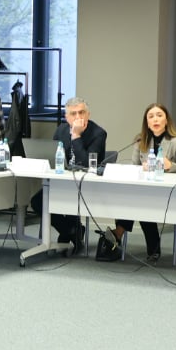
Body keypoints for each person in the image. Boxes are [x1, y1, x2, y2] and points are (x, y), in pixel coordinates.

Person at [102, 102, 176, 264]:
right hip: (146, 190)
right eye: (151, 116)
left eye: (159, 115)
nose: (155, 119)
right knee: (138, 200)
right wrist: (141, 168)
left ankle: (118, 233)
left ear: (166, 120)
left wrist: (170, 165)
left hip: (169, 192)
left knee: (141, 202)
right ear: (147, 123)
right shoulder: (140, 140)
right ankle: (152, 250)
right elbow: (134, 168)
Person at [48, 99, 109, 251]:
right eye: (73, 114)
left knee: (71, 201)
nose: (78, 117)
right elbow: (53, 157)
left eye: (81, 112)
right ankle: (72, 230)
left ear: (88, 114)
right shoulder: (61, 130)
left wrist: (76, 136)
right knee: (38, 202)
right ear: (66, 117)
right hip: (61, 182)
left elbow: (86, 164)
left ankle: (71, 232)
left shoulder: (98, 133)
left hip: (86, 185)